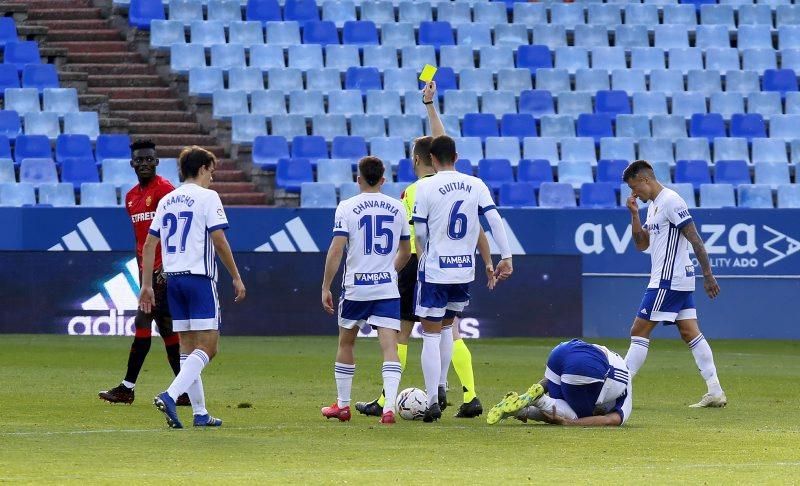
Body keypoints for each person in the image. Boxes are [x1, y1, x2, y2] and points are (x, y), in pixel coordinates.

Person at [355, 81, 497, 419]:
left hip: (418, 263)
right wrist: (430, 106)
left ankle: (386, 398)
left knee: (402, 331)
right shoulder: (457, 187)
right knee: (451, 327)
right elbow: (477, 229)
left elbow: (407, 238)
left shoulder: (414, 192)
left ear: (418, 159)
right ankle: (470, 393)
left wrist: (389, 267)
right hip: (455, 260)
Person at [140, 146, 246, 429]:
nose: (212, 177)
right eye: (211, 171)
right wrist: (235, 275)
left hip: (173, 280)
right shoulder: (208, 197)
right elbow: (219, 240)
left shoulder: (167, 199)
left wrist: (146, 285)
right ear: (201, 169)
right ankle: (171, 394)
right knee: (209, 348)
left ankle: (200, 412)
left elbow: (150, 244)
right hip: (199, 279)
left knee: (187, 349)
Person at [413, 135, 514, 422]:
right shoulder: (476, 184)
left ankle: (432, 399)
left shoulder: (425, 186)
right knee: (447, 328)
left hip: (435, 268)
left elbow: (420, 231)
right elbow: (493, 220)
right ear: (456, 157)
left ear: (432, 159)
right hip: (462, 269)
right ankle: (443, 385)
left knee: (430, 334)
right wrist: (505, 256)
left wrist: (424, 252)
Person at [623, 160, 727, 408]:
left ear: (645, 180)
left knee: (638, 331)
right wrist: (634, 214)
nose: (633, 193)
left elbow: (695, 238)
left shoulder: (672, 201)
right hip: (674, 279)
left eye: (634, 187)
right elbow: (642, 244)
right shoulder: (653, 206)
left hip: (668, 280)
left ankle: (617, 390)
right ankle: (715, 390)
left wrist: (708, 274)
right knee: (689, 332)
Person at [320, 156, 412, 424]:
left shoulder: (346, 207)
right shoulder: (397, 207)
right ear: (383, 179)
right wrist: (388, 272)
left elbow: (337, 249)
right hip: (386, 288)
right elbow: (406, 252)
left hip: (356, 287)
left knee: (346, 343)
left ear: (358, 179)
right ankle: (389, 408)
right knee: (389, 347)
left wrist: (326, 285)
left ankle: (343, 405)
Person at [98, 139, 189, 407]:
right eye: (140, 160)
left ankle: (127, 388)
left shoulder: (165, 191)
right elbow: (142, 239)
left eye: (149, 159)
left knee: (143, 321)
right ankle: (183, 390)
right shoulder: (131, 198)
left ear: (157, 162)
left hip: (163, 272)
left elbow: (176, 233)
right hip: (145, 271)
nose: (145, 163)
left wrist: (168, 267)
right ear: (132, 164)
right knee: (167, 329)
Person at [486, 339, 632, 427]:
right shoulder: (625, 395)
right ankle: (540, 401)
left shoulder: (614, 366)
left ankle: (521, 409)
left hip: (562, 350)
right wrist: (568, 423)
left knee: (558, 406)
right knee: (576, 417)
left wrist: (526, 398)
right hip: (586, 367)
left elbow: (549, 382)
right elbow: (608, 420)